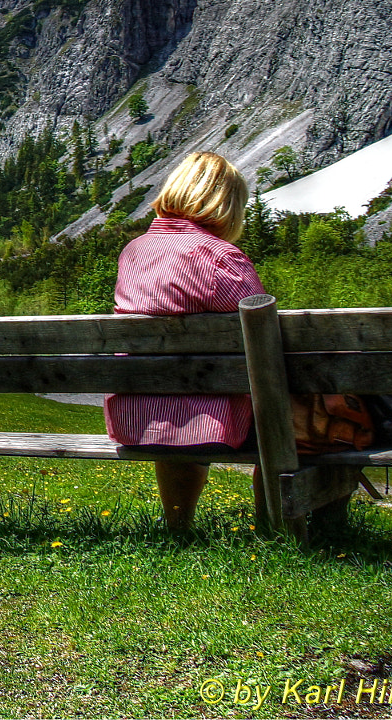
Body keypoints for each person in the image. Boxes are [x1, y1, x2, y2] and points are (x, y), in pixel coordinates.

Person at [107, 151, 261, 532]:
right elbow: (260, 338)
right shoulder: (221, 258)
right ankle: (279, 527)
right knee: (315, 410)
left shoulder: (134, 251)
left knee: (174, 396)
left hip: (136, 417)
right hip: (210, 423)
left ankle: (178, 525)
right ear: (226, 205)